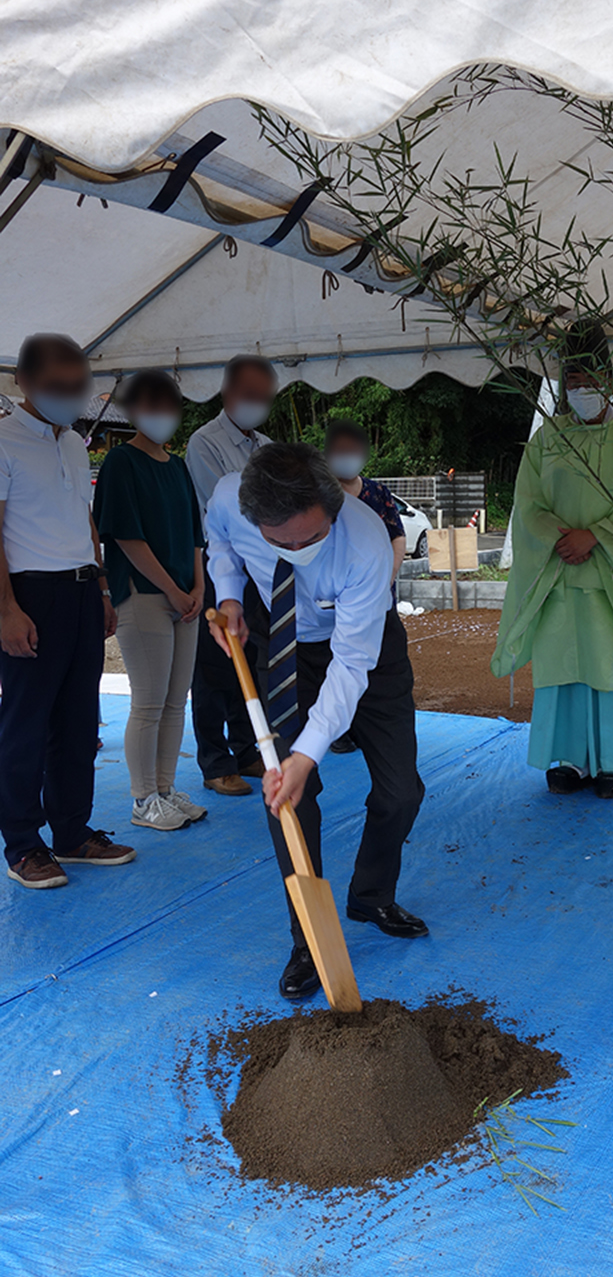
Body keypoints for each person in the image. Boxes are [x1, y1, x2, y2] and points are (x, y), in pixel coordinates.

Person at [206, 442, 427, 1000]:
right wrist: (230, 597)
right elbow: (222, 544)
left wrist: (307, 754)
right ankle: (307, 938)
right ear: (258, 519)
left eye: (313, 538)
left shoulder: (366, 541)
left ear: (332, 509)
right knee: (291, 800)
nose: (300, 550)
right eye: (283, 543)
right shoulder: (230, 498)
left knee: (401, 790)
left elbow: (351, 667)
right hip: (282, 643)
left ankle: (371, 895)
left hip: (365, 650)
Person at [492, 319, 613, 797]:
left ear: (612, 382)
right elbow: (528, 505)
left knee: (607, 675)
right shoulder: (546, 441)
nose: (581, 391)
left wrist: (595, 536)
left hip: (611, 586)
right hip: (558, 579)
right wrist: (562, 539)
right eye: (572, 382)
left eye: (590, 381)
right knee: (562, 672)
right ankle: (570, 760)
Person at [0, 334, 135, 888]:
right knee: (25, 726)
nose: (69, 394)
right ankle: (24, 846)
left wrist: (102, 587)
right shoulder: (3, 437)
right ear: (24, 382)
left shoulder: (77, 443)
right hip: (30, 593)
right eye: (57, 384)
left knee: (80, 722)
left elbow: (85, 520)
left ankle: (73, 833)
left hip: (81, 590)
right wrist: (6, 608)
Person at [94, 370, 206, 831]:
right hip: (144, 596)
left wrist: (197, 588)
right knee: (149, 700)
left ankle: (165, 787)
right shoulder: (121, 462)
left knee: (177, 699)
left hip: (186, 598)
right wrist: (176, 590)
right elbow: (125, 537)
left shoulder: (177, 466)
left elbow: (196, 537)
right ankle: (144, 800)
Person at [185, 355, 276, 797]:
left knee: (252, 659)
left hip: (262, 570)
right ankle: (215, 760)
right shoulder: (204, 443)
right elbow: (226, 508)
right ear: (227, 392)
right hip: (220, 567)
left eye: (265, 397)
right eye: (250, 395)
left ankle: (247, 750)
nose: (257, 403)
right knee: (214, 666)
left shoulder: (268, 446)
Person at [325, 417, 407, 753]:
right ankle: (341, 729)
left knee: (380, 665)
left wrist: (387, 575)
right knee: (341, 664)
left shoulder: (377, 493)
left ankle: (374, 729)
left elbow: (397, 536)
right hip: (335, 602)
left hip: (378, 600)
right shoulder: (322, 495)